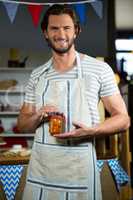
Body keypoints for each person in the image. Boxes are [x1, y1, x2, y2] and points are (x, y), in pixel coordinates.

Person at [17, 4, 130, 200]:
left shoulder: (99, 69)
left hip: (80, 168)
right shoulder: (37, 75)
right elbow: (22, 124)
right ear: (45, 32)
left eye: (67, 28)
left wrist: (91, 131)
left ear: (76, 31)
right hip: (42, 168)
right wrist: (37, 115)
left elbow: (123, 119)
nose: (61, 34)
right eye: (54, 28)